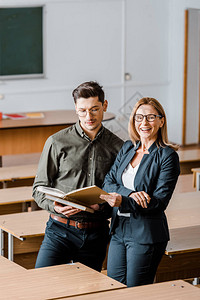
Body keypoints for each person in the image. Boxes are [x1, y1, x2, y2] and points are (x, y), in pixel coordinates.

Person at [32, 81, 123, 271]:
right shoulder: (56, 142)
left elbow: (119, 192)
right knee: (42, 284)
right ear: (75, 108)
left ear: (105, 106)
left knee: (88, 293)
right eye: (82, 110)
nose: (88, 116)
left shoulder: (118, 147)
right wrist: (54, 206)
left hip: (96, 232)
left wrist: (102, 207)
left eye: (94, 109)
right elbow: (38, 189)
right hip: (59, 230)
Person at [100, 97, 180, 287]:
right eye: (139, 117)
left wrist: (123, 201)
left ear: (161, 121)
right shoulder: (128, 147)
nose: (144, 123)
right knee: (115, 286)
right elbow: (108, 183)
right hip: (119, 228)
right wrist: (130, 194)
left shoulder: (167, 156)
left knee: (136, 292)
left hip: (145, 232)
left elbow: (159, 202)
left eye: (151, 117)